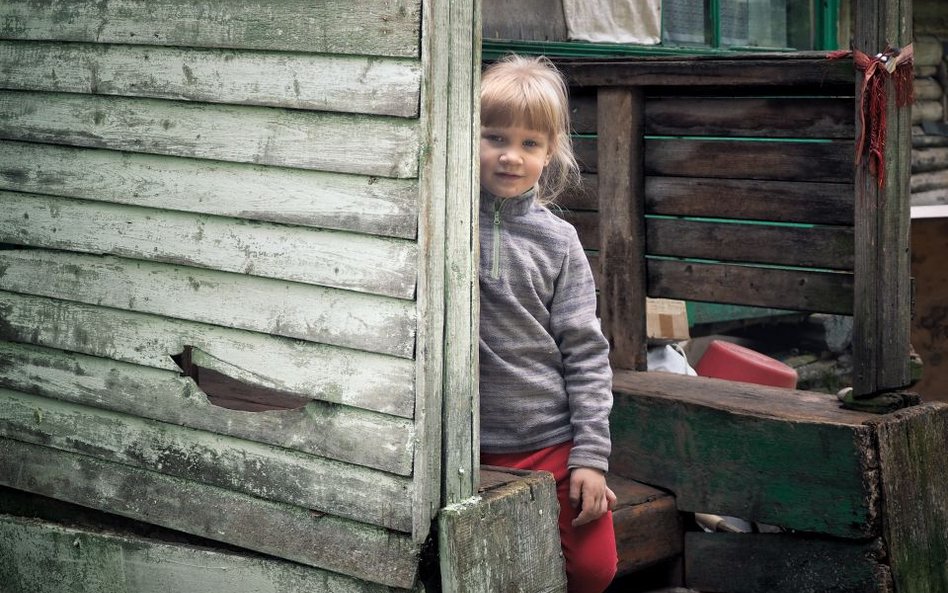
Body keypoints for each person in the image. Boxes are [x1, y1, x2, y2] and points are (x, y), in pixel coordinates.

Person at [477, 54, 618, 593]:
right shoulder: (444, 219)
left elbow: (585, 354)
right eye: (494, 137)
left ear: (550, 151)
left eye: (530, 144)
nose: (511, 156)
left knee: (593, 570)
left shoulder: (559, 243)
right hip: (465, 446)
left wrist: (590, 458)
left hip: (550, 443)